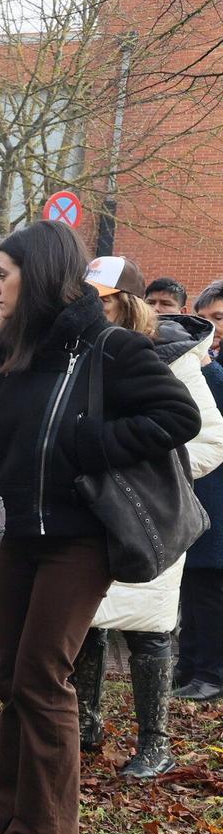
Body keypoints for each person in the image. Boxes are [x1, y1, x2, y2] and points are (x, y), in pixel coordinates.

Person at [0, 222, 198, 834]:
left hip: (79, 538)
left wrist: (91, 444)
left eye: (2, 274)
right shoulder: (15, 352)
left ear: (38, 275)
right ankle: (9, 822)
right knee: (13, 679)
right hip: (16, 533)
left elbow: (177, 417)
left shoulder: (110, 348)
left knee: (44, 674)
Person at [71, 258, 223, 777]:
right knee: (90, 618)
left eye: (104, 298)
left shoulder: (174, 360)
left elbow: (209, 439)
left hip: (151, 513)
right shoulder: (84, 350)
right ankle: (84, 724)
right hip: (93, 507)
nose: (93, 306)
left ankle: (154, 743)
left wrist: (149, 470)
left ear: (125, 302)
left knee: (149, 628)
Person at [178, 280, 223, 701]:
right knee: (192, 585)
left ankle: (211, 672)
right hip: (198, 492)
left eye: (221, 318)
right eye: (206, 318)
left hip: (218, 498)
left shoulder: (212, 372)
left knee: (210, 587)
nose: (213, 327)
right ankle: (189, 665)